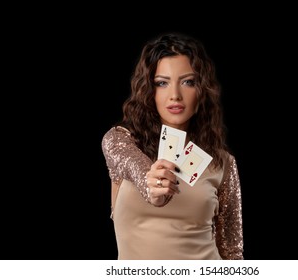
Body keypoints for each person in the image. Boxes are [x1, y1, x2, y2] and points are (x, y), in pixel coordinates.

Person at [101, 32, 243, 260]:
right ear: (148, 90)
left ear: (202, 90)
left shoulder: (223, 162)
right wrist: (152, 187)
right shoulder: (120, 141)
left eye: (188, 82)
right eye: (162, 83)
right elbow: (136, 169)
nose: (175, 95)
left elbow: (232, 251)